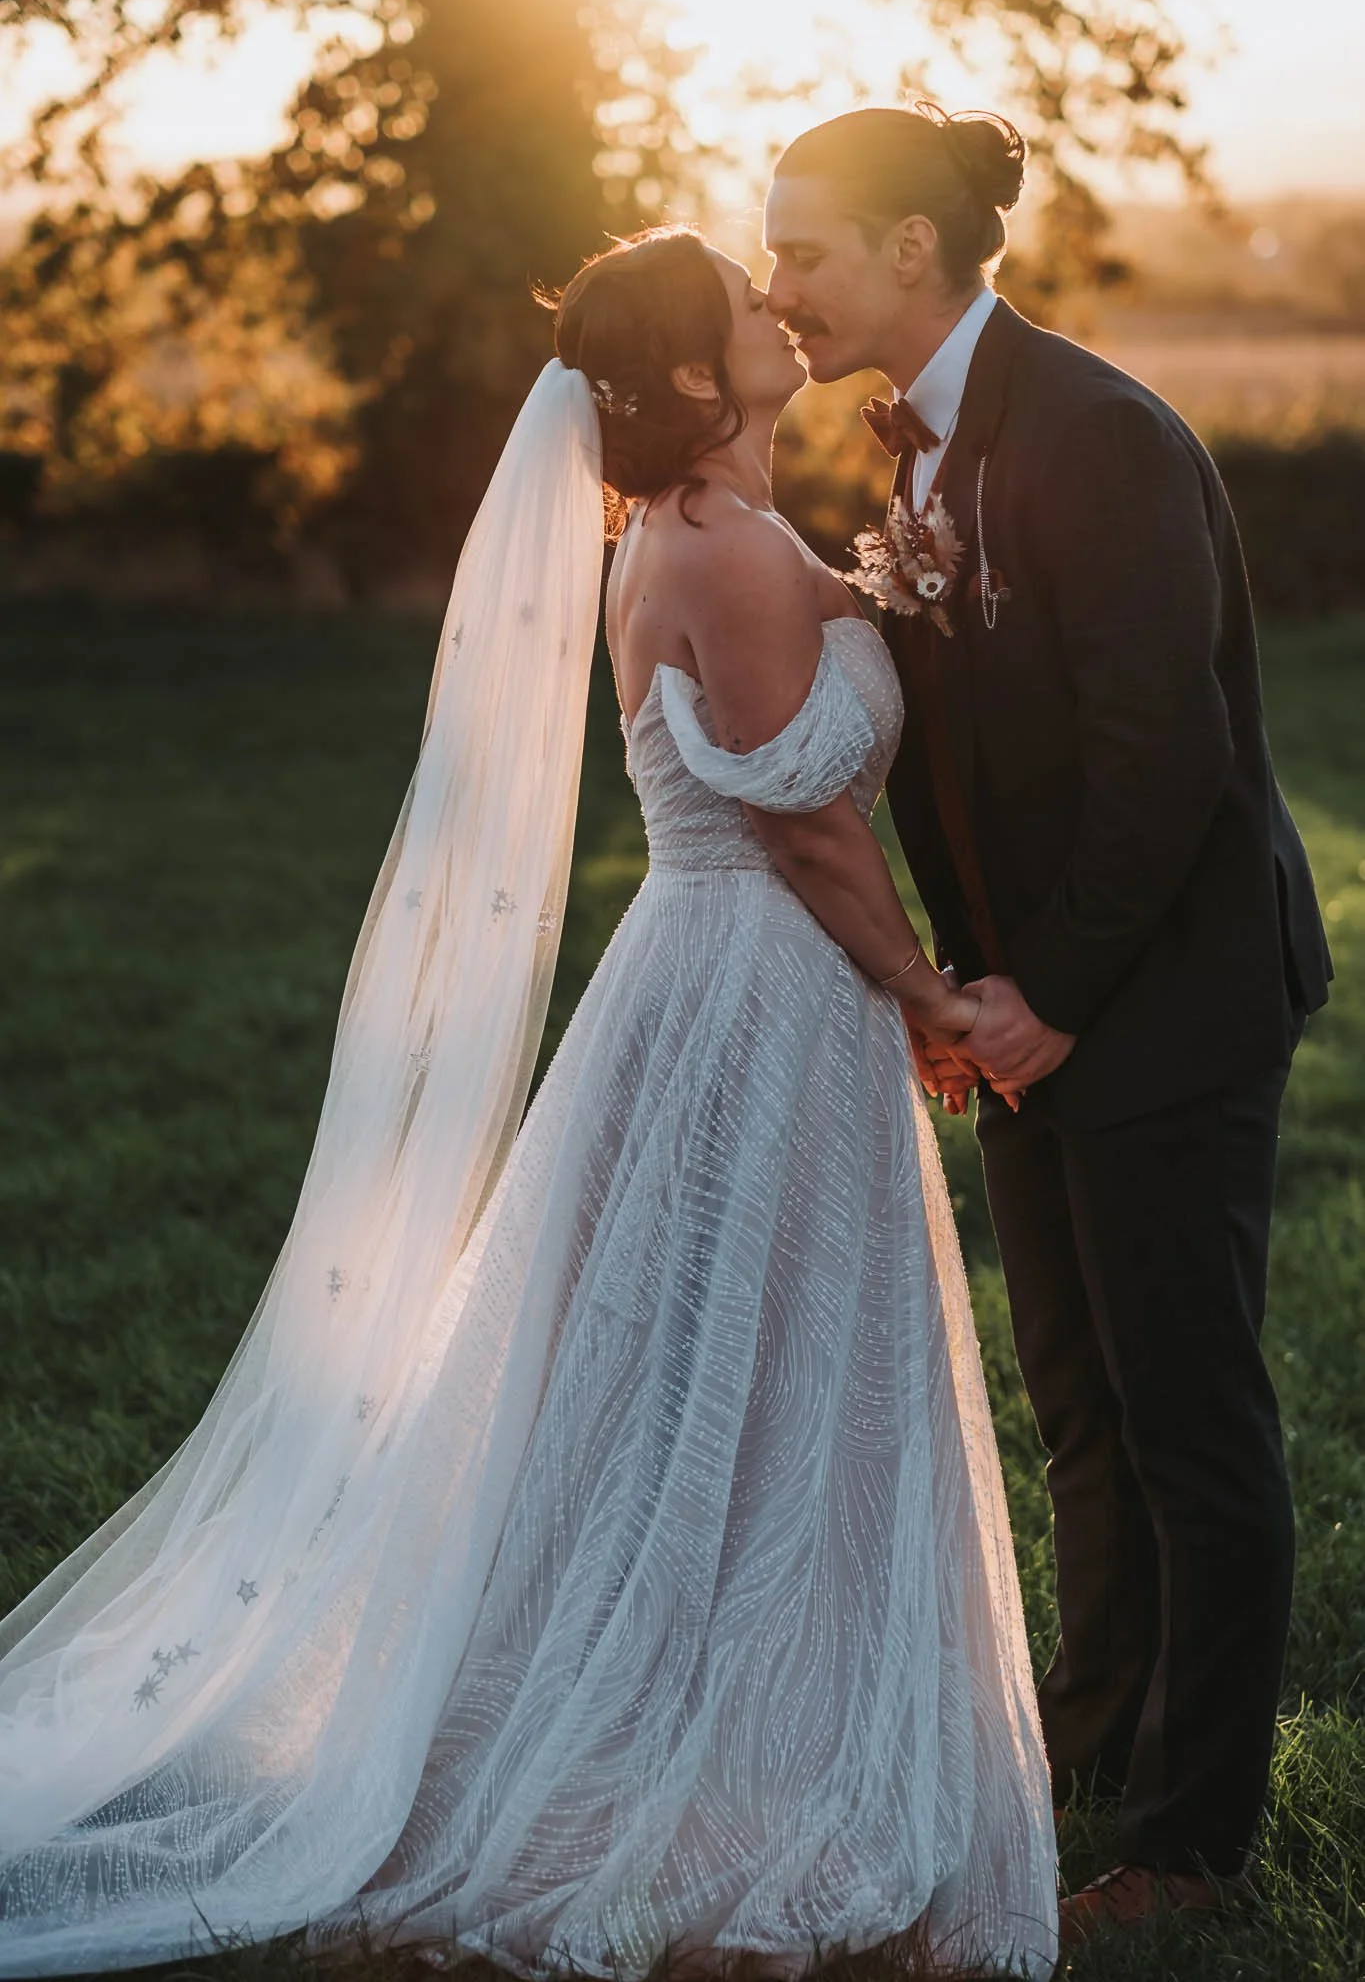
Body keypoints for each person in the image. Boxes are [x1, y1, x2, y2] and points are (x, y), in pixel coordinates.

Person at [0, 226, 1058, 1980]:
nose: (778, 307)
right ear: (699, 375)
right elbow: (806, 826)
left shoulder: (705, 531)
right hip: (762, 983)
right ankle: (690, 1745)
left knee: (732, 1360)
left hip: (733, 976)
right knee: (748, 1357)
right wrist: (933, 995)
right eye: (746, 302)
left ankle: (732, 1706)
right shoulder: (722, 548)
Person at [762, 101, 1332, 1947]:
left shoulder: (1095, 436)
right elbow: (976, 755)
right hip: (1026, 1004)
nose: (781, 288)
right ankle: (1085, 1756)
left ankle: (1194, 1850)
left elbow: (1169, 757)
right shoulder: (921, 442)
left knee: (1190, 1424)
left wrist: (1050, 998)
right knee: (1083, 1410)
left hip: (1166, 998)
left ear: (909, 249)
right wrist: (965, 985)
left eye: (803, 252)